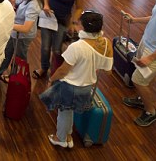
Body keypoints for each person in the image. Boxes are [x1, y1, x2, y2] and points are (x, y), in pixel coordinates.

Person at [40, 10, 113, 148]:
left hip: (70, 86)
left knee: (63, 113)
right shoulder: (106, 44)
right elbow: (108, 71)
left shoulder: (77, 47)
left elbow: (63, 70)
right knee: (70, 111)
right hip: (87, 86)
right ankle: (68, 136)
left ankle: (60, 139)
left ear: (83, 27)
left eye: (78, 23)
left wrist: (51, 79)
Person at [33, 0, 86, 80]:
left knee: (57, 49)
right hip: (48, 18)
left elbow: (79, 7)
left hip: (63, 21)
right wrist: (46, 4)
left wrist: (73, 22)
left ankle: (55, 71)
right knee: (45, 47)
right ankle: (44, 67)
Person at [0, 0, 43, 83]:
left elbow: (26, 28)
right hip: (15, 31)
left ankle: (16, 78)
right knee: (7, 51)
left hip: (23, 36)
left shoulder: (34, 4)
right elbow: (16, 6)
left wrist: (7, 24)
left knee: (19, 57)